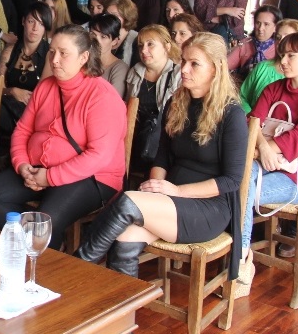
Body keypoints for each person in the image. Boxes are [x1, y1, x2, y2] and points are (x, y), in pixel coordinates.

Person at [76, 32, 249, 280]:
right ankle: (123, 312)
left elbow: (231, 181)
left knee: (127, 201)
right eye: (183, 62)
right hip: (169, 197)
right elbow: (162, 158)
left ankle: (76, 269)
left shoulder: (232, 114)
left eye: (194, 64)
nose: (185, 69)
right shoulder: (176, 103)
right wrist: (155, 186)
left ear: (215, 69)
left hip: (208, 208)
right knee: (124, 241)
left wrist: (177, 192)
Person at [0, 24, 126, 250]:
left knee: (47, 220)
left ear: (84, 57)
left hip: (93, 177)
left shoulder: (101, 96)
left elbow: (99, 156)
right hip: (38, 168)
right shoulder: (46, 87)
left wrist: (50, 177)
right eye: (52, 51)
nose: (54, 60)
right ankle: (37, 246)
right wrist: (22, 164)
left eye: (63, 53)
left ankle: (44, 259)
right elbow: (23, 131)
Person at [239, 31, 298, 296]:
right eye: (282, 54)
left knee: (242, 187)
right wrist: (263, 148)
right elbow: (253, 121)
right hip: (263, 162)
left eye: (292, 55)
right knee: (240, 178)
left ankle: (240, 258)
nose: (284, 60)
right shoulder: (274, 88)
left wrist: (267, 148)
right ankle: (238, 252)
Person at [125, 25, 182, 174]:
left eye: (150, 44)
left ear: (166, 47)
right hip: (134, 134)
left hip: (163, 138)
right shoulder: (135, 71)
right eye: (141, 46)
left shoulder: (178, 74)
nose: (144, 50)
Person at [0, 2, 54, 139]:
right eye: (31, 21)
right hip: (5, 106)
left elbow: (42, 96)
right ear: (23, 21)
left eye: (41, 23)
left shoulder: (50, 54)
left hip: (34, 113)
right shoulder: (10, 50)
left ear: (45, 26)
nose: (35, 28)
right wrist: (12, 91)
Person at [239, 18, 298, 113]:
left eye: (287, 37)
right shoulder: (262, 67)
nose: (281, 41)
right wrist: (252, 119)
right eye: (278, 37)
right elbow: (242, 97)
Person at [227, 5, 283, 79]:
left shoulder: (280, 47)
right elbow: (226, 65)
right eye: (258, 23)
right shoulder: (245, 43)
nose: (260, 28)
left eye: (266, 24)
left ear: (276, 27)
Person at [88, 13, 131, 97]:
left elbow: (113, 101)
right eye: (93, 34)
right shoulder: (82, 60)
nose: (96, 40)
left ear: (114, 41)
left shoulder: (119, 69)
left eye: (103, 37)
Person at [105, 0, 140, 67]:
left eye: (115, 16)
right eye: (107, 14)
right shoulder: (103, 35)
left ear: (127, 17)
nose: (109, 18)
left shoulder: (137, 39)